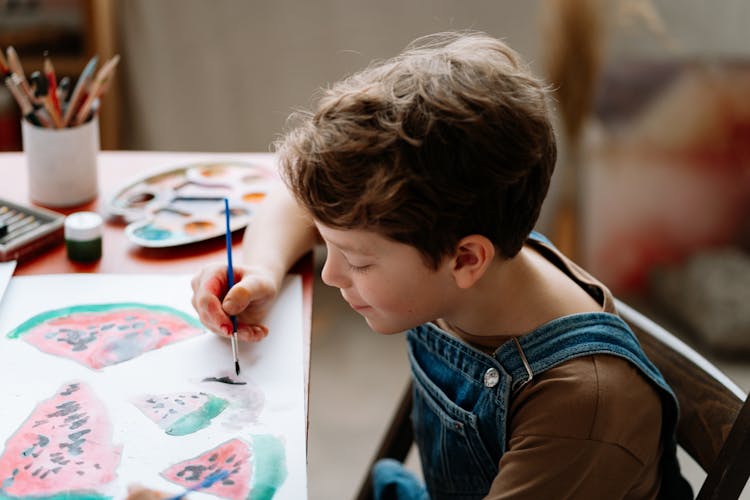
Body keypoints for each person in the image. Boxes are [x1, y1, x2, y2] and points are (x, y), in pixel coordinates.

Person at [191, 31, 692, 499]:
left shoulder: (581, 413)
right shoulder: (476, 261)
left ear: (467, 258)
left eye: (359, 262)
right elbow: (295, 200)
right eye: (330, 243)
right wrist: (262, 269)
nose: (331, 274)